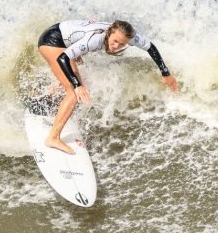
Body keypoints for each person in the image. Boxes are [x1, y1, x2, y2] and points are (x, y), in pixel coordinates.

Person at [37, 19, 178, 154]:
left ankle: (45, 99)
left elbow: (150, 47)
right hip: (53, 40)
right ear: (110, 33)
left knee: (76, 76)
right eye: (115, 41)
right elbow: (63, 58)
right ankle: (53, 138)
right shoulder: (94, 40)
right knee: (74, 92)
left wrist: (165, 73)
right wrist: (77, 86)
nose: (117, 46)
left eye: (122, 44)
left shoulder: (130, 37)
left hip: (65, 36)